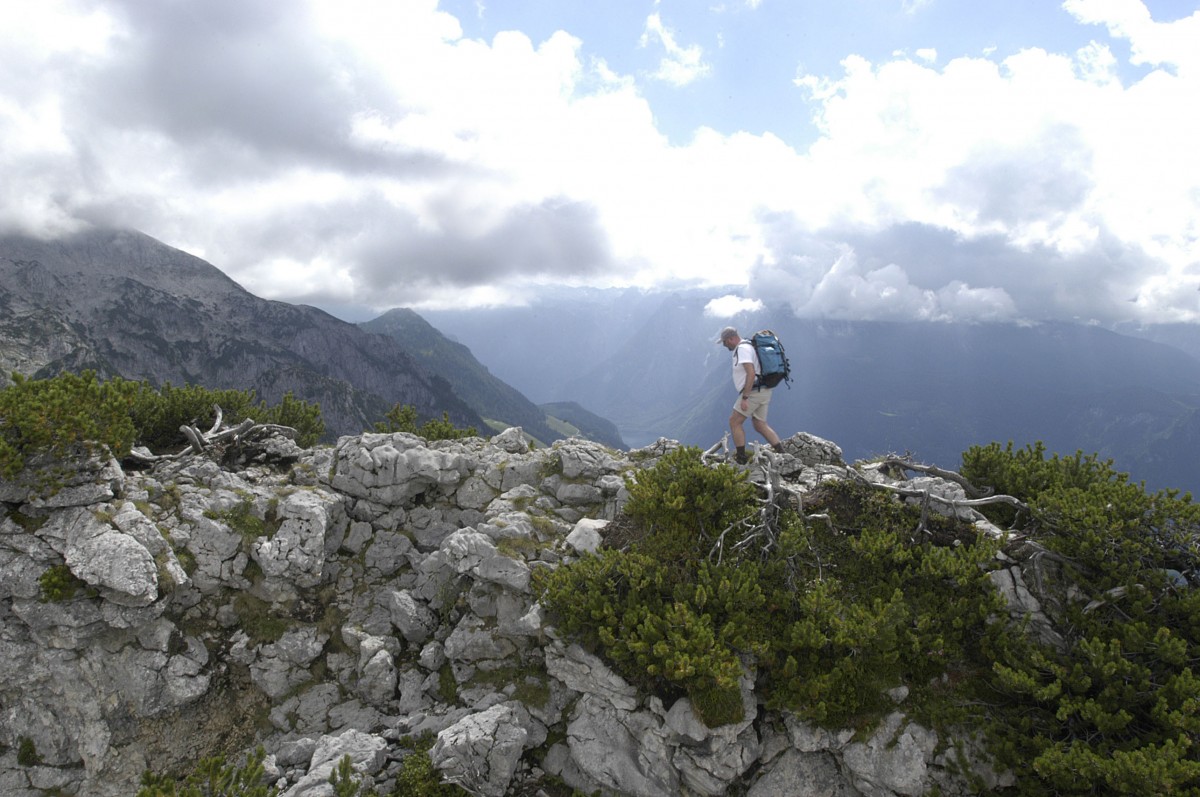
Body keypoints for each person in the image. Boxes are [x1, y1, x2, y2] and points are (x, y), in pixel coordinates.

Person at [717, 326, 785, 464]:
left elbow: (751, 372)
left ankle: (741, 458)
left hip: (753, 392)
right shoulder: (748, 345)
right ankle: (783, 454)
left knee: (734, 421)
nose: (724, 345)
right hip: (764, 389)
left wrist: (745, 397)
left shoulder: (742, 349)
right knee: (760, 424)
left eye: (725, 342)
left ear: (731, 339)